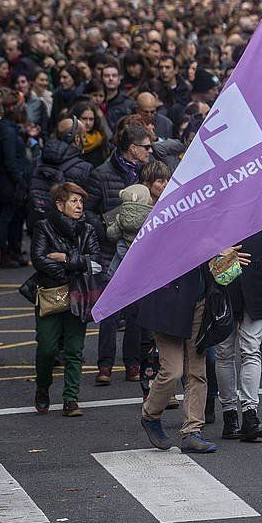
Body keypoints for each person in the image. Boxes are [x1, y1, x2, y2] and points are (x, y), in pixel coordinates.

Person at [137, 248, 246, 454]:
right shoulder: (164, 223)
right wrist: (209, 251)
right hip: (166, 303)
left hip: (199, 303)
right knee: (173, 370)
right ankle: (150, 415)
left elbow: (222, 274)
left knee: (197, 371)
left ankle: (192, 431)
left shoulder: (204, 226)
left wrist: (223, 258)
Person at [88, 123, 153, 384]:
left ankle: (132, 364)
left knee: (136, 313)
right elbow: (90, 211)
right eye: (146, 147)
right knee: (110, 311)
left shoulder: (146, 173)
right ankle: (104, 366)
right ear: (133, 148)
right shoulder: (102, 173)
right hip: (110, 250)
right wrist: (106, 228)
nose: (151, 150)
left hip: (139, 252)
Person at [30, 182, 102, 417]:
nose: (79, 206)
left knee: (74, 349)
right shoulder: (44, 227)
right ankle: (43, 386)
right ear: (60, 205)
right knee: (47, 348)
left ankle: (71, 398)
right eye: (74, 201)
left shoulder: (88, 229)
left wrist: (65, 258)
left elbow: (95, 263)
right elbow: (40, 260)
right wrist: (71, 268)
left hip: (78, 295)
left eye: (81, 201)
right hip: (51, 294)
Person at [217, 222, 262, 443]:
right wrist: (218, 252)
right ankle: (229, 414)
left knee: (251, 350)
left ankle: (249, 413)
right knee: (225, 352)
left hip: (256, 281)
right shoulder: (217, 198)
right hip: (224, 282)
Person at [0, 89, 31, 271]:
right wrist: (20, 179)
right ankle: (3, 251)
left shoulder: (10, 128)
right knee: (8, 216)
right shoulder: (6, 131)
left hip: (10, 181)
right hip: (9, 183)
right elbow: (10, 160)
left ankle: (12, 250)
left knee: (14, 218)